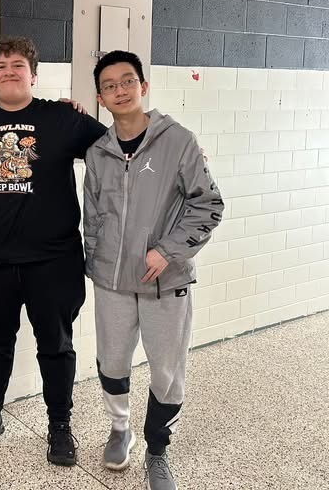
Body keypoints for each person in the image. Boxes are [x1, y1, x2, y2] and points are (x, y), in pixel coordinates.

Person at [0, 37, 107, 466]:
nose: (8, 70)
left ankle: (60, 425)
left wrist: (177, 151)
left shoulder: (62, 117)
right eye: (0, 65)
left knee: (55, 345)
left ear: (33, 74)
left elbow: (118, 145)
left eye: (17, 64)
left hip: (52, 260)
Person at [83, 51, 224, 490]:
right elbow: (93, 215)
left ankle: (157, 450)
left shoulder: (178, 140)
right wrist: (95, 265)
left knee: (166, 370)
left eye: (128, 81)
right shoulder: (98, 152)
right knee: (112, 363)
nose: (120, 91)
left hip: (166, 281)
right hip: (112, 283)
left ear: (143, 86)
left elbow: (209, 204)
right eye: (110, 86)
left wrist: (168, 251)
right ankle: (119, 428)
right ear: (101, 98)